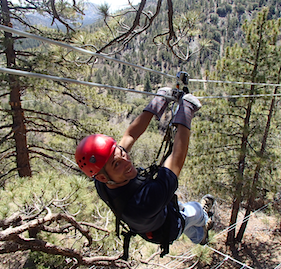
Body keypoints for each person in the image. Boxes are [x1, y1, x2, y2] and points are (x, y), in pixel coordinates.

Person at [75, 87, 215, 258]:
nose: (127, 161)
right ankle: (205, 219)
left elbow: (130, 135)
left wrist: (157, 103)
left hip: (152, 221)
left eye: (122, 152)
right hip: (168, 227)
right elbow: (177, 157)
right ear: (103, 177)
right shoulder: (145, 202)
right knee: (194, 211)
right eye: (117, 163)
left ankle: (200, 238)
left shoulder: (103, 177)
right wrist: (186, 112)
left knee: (191, 227)